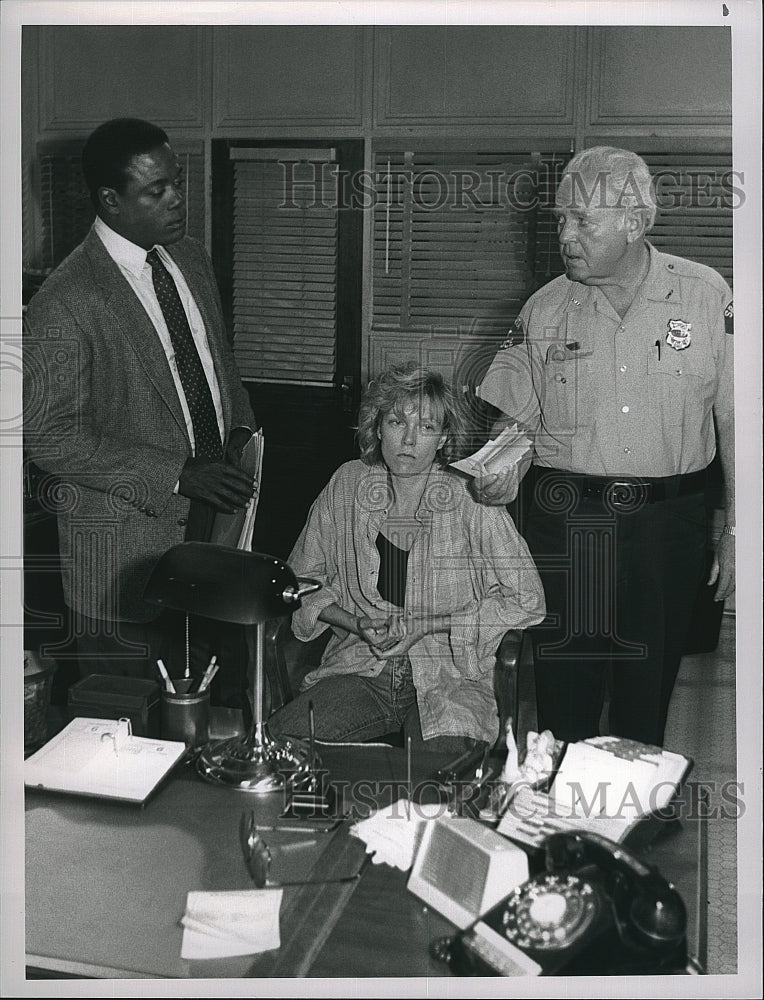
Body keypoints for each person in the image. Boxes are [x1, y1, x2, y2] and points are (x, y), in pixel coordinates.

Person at [474, 145, 735, 747]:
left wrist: (741, 531)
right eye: (560, 218)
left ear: (635, 224)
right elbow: (514, 426)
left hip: (668, 523)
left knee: (649, 689)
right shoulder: (543, 308)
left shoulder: (704, 295)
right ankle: (563, 816)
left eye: (581, 221)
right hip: (569, 517)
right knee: (566, 686)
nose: (565, 233)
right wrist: (500, 467)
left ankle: (631, 814)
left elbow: (741, 421)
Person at [23, 118, 257, 695]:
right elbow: (50, 437)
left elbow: (219, 366)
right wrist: (177, 476)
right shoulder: (66, 298)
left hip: (211, 540)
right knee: (121, 741)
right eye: (157, 191)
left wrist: (243, 432)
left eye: (176, 182)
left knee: (202, 724)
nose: (178, 199)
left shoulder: (190, 260)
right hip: (121, 567)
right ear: (111, 200)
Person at [268, 362, 546, 753]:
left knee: (438, 782)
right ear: (377, 425)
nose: (410, 441)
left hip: (448, 674)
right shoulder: (347, 483)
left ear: (443, 437)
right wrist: (356, 622)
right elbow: (298, 580)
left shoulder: (471, 499)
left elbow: (528, 600)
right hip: (361, 664)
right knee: (281, 744)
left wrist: (430, 625)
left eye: (427, 427)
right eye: (398, 422)